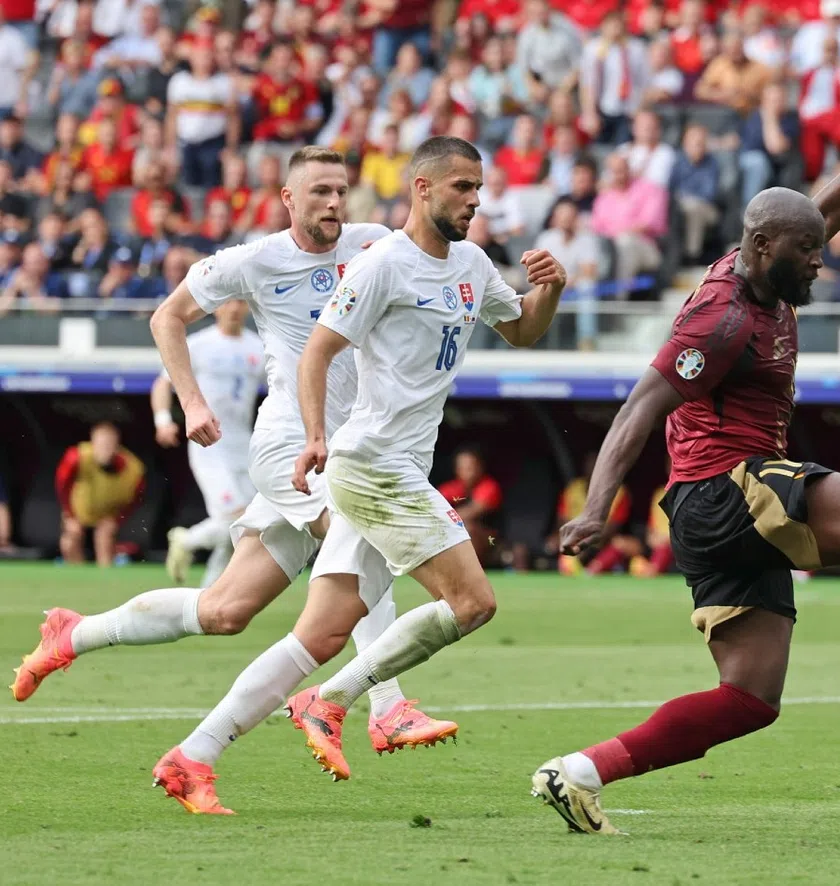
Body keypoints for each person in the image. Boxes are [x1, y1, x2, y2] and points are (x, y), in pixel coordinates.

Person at [538, 82, 840, 836]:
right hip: (727, 486)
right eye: (810, 253)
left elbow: (824, 208)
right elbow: (640, 405)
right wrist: (597, 507)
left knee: (750, 700)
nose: (821, 262)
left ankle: (580, 772)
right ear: (765, 249)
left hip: (710, 509)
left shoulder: (769, 263)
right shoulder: (723, 321)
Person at [7, 147, 452, 814]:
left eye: (342, 190)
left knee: (224, 611)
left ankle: (77, 635)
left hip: (346, 447)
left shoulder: (375, 244)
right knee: (371, 537)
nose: (335, 202)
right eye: (321, 191)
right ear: (289, 199)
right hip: (290, 448)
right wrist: (191, 402)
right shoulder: (254, 261)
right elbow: (166, 318)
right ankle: (385, 706)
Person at [276, 136, 566, 793]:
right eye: (463, 186)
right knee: (473, 601)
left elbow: (521, 328)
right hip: (371, 462)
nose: (475, 199)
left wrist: (550, 290)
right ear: (423, 188)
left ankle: (215, 743)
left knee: (324, 625)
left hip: (399, 466)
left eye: (479, 188)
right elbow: (316, 353)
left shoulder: (471, 262)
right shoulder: (382, 265)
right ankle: (335, 701)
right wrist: (316, 435)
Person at [156, 299, 263, 588]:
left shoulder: (258, 346)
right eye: (229, 302)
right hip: (209, 444)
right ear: (216, 307)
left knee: (247, 526)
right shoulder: (200, 343)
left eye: (241, 301)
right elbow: (163, 383)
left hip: (245, 444)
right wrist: (163, 420)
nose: (235, 308)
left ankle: (209, 594)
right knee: (236, 518)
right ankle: (186, 540)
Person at [54, 422, 144, 566]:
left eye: (109, 444)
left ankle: (105, 576)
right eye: (100, 444)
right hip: (79, 511)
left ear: (117, 446)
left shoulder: (133, 468)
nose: (104, 450)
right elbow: (62, 485)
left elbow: (136, 500)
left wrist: (116, 520)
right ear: (92, 443)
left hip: (108, 515)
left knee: (105, 537)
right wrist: (69, 515)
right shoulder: (77, 457)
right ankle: (75, 575)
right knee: (70, 540)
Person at [438, 446, 504, 566]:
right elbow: (434, 511)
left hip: (490, 541)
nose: (467, 472)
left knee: (468, 529)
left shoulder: (489, 486)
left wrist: (442, 519)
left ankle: (469, 569)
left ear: (480, 467)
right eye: (462, 468)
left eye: (470, 467)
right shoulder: (450, 488)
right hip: (452, 536)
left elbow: (472, 511)